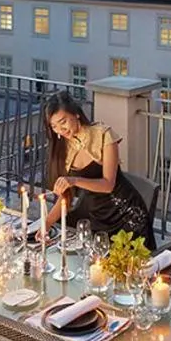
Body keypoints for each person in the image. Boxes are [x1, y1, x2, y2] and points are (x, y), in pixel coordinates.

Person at [39, 90, 153, 243]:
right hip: (98, 218)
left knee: (131, 265)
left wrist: (74, 180)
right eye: (54, 126)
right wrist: (46, 224)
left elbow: (108, 184)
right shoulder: (61, 149)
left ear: (76, 114)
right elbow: (65, 197)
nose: (60, 130)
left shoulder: (103, 135)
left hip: (127, 214)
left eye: (63, 122)